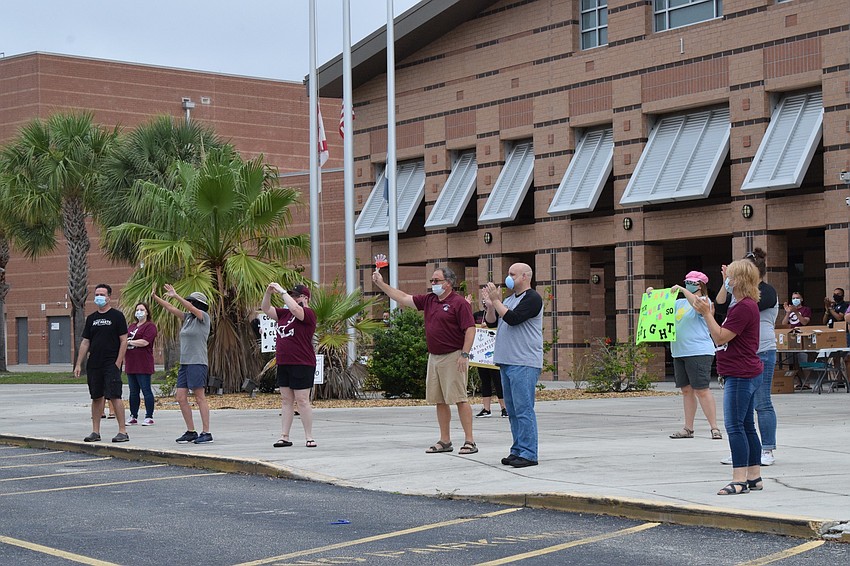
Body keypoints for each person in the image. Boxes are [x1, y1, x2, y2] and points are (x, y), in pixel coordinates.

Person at [372, 266, 477, 455]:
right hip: (434, 356)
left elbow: (470, 329)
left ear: (448, 283)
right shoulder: (429, 300)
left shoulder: (459, 303)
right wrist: (381, 284)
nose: (433, 284)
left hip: (453, 356)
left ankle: (470, 441)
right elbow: (403, 297)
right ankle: (445, 440)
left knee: (460, 398)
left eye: (436, 281)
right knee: (439, 399)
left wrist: (464, 354)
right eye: (432, 281)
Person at [694, 260, 763, 495]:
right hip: (747, 371)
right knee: (746, 426)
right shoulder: (745, 305)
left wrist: (706, 314)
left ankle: (739, 479)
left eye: (730, 277)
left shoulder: (744, 307)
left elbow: (721, 337)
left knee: (735, 426)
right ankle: (754, 476)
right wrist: (712, 314)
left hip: (740, 373)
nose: (727, 281)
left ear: (739, 280)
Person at [717, 249, 779, 466]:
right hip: (742, 355)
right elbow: (720, 306)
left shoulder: (764, 294)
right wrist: (725, 283)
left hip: (762, 351)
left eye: (735, 275)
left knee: (762, 403)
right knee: (742, 415)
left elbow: (740, 313)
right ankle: (742, 452)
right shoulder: (739, 298)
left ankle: (768, 449)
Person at [483, 263, 544, 468]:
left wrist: (497, 301)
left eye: (512, 274)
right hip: (507, 361)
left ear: (525, 277)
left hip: (524, 362)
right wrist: (492, 305)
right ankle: (517, 449)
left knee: (524, 408)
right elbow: (492, 323)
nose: (508, 278)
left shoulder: (532, 298)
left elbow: (513, 318)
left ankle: (529, 452)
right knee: (512, 410)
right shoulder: (508, 300)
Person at [649, 271, 721, 441]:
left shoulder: (705, 302)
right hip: (679, 351)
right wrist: (652, 294)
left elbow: (696, 305)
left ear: (700, 285)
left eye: (692, 282)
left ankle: (714, 427)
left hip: (698, 351)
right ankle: (688, 428)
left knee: (701, 390)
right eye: (686, 281)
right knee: (686, 390)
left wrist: (682, 289)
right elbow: (660, 306)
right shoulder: (679, 303)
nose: (688, 284)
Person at [152, 285, 213, 444]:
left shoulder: (203, 317)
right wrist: (155, 298)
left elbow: (190, 307)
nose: (189, 303)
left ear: (197, 303)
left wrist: (176, 295)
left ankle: (206, 432)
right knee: (180, 397)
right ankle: (191, 431)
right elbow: (171, 308)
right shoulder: (187, 319)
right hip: (185, 363)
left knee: (200, 397)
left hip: (198, 362)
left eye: (191, 301)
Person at [261, 282, 318, 448]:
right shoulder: (284, 314)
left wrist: (282, 292)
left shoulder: (308, 313)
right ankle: (284, 436)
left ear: (304, 298)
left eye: (295, 295)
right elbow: (266, 308)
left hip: (302, 362)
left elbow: (296, 310)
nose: (291, 298)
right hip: (284, 361)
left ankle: (309, 436)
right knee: (286, 400)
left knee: (302, 400)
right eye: (291, 295)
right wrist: (268, 293)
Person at [74, 283, 130, 443]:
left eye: (102, 294)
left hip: (111, 363)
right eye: (96, 294)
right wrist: (79, 363)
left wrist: (118, 362)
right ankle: (95, 431)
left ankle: (122, 431)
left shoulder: (117, 316)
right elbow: (85, 342)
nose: (99, 297)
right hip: (94, 364)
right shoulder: (91, 319)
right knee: (96, 397)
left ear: (109, 297)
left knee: (114, 395)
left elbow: (124, 340)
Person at [469, 295, 507, 419]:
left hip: (494, 353)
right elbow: (469, 326)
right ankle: (486, 408)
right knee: (485, 381)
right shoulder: (477, 315)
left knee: (498, 381)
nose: (485, 303)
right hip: (481, 354)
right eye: (483, 301)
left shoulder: (496, 314)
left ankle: (504, 407)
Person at [125, 302, 158, 426]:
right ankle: (133, 415)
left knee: (146, 390)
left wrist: (130, 342)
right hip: (131, 363)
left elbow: (145, 342)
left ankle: (149, 416)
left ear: (147, 312)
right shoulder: (132, 326)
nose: (139, 312)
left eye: (142, 309)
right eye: (137, 309)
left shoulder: (150, 327)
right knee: (133, 391)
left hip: (143, 363)